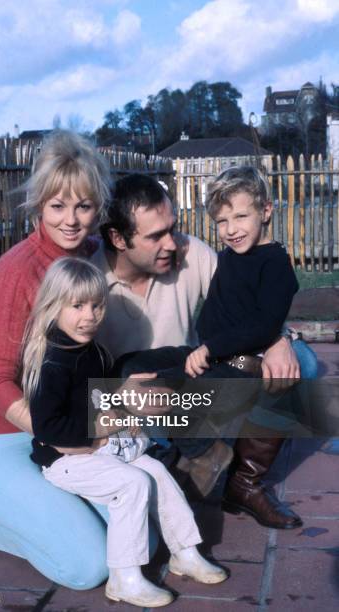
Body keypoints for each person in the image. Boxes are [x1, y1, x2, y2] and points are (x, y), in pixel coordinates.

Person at [93, 172, 314, 528]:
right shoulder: (89, 279)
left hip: (217, 361)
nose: (172, 243)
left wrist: (278, 340)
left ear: (266, 211)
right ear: (119, 238)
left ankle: (243, 482)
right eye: (155, 236)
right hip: (138, 397)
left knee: (296, 365)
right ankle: (200, 451)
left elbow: (262, 316)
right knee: (129, 366)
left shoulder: (232, 257)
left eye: (173, 229)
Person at [0, 131, 115, 588]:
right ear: (39, 205)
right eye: (57, 206)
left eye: (83, 206)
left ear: (97, 208)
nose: (70, 220)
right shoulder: (17, 271)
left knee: (136, 535)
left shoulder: (90, 259)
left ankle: (2, 507)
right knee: (89, 567)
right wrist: (66, 436)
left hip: (52, 433)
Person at [23, 256, 227, 608]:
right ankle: (124, 577)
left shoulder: (94, 353)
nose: (89, 316)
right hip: (63, 459)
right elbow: (48, 426)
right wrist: (101, 428)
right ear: (54, 306)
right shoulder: (52, 363)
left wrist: (120, 408)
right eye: (77, 306)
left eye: (97, 306)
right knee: (131, 484)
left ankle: (185, 552)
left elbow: (98, 399)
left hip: (98, 450)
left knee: (156, 471)